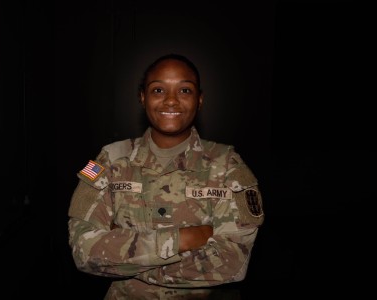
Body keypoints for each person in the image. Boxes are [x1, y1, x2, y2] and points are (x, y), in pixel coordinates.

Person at [67, 53, 265, 299]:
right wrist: (184, 238)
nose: (171, 101)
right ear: (142, 97)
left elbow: (231, 263)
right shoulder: (107, 159)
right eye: (158, 90)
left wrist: (129, 261)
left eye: (184, 91)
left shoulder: (229, 164)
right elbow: (84, 251)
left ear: (200, 99)